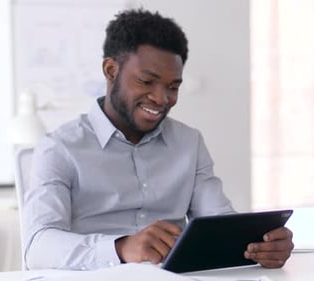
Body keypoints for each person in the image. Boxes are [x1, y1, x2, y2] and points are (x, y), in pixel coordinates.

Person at [23, 8, 294, 271]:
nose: (162, 98)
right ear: (110, 71)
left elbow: (218, 222)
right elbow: (38, 245)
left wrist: (259, 244)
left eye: (173, 86)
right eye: (146, 81)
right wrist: (121, 248)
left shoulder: (189, 143)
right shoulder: (60, 148)